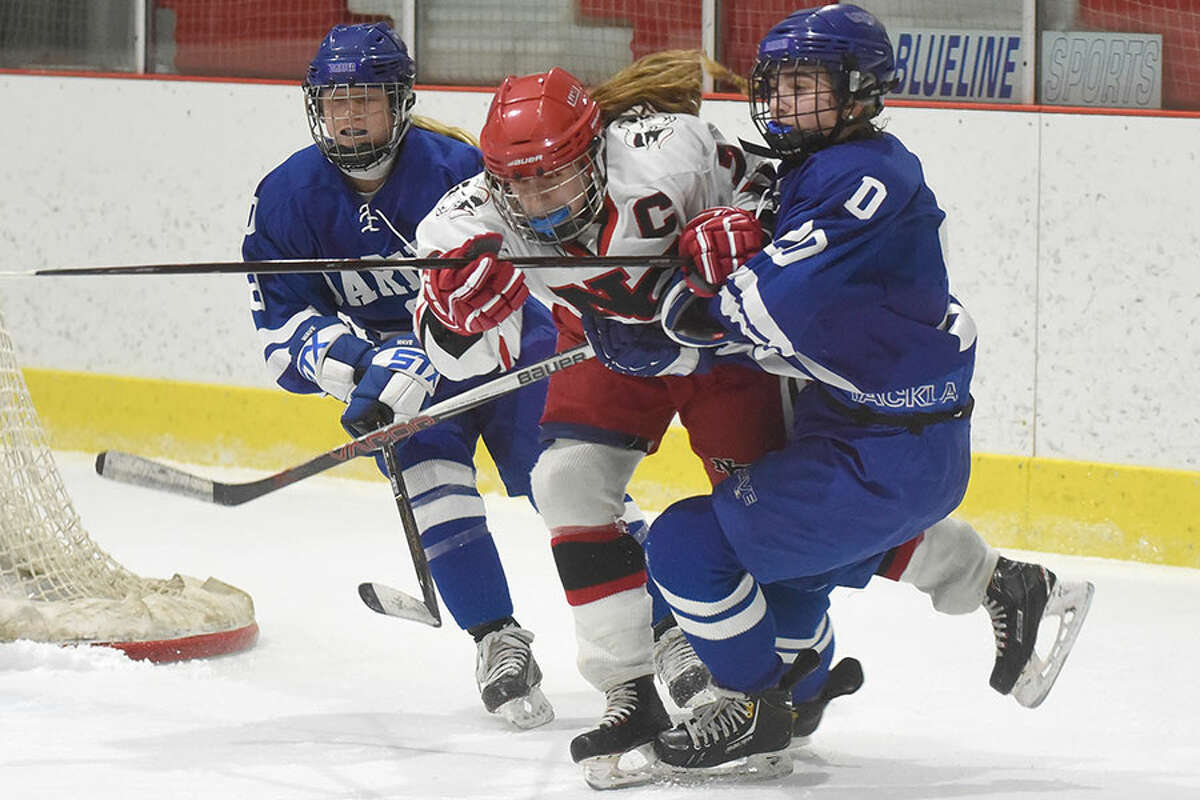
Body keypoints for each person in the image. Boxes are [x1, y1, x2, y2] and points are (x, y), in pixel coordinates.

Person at [581, 4, 1094, 777]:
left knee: (688, 546)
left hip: (881, 455)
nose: (784, 102)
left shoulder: (866, 178)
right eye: (777, 85)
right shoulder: (825, 167)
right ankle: (982, 598)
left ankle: (752, 710)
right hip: (870, 435)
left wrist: (661, 321)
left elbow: (761, 307)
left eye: (805, 86)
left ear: (859, 91)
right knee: (784, 605)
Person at [411, 53, 788, 787]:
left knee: (771, 517)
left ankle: (759, 696)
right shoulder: (465, 220)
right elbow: (449, 355)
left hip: (719, 351)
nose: (533, 198)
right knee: (567, 482)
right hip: (609, 348)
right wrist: (457, 317)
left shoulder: (669, 151)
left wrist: (747, 229)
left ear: (594, 152)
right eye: (513, 182)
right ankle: (627, 690)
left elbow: (780, 192)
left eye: (549, 174)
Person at [241, 22, 559, 730]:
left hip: (508, 359)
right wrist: (363, 366)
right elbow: (283, 331)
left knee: (568, 484)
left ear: (401, 101)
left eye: (366, 99)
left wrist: (432, 349)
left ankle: (667, 627)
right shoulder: (287, 197)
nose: (349, 115)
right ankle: (498, 640)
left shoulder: (461, 171)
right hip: (403, 387)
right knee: (435, 491)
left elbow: (531, 279)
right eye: (335, 100)